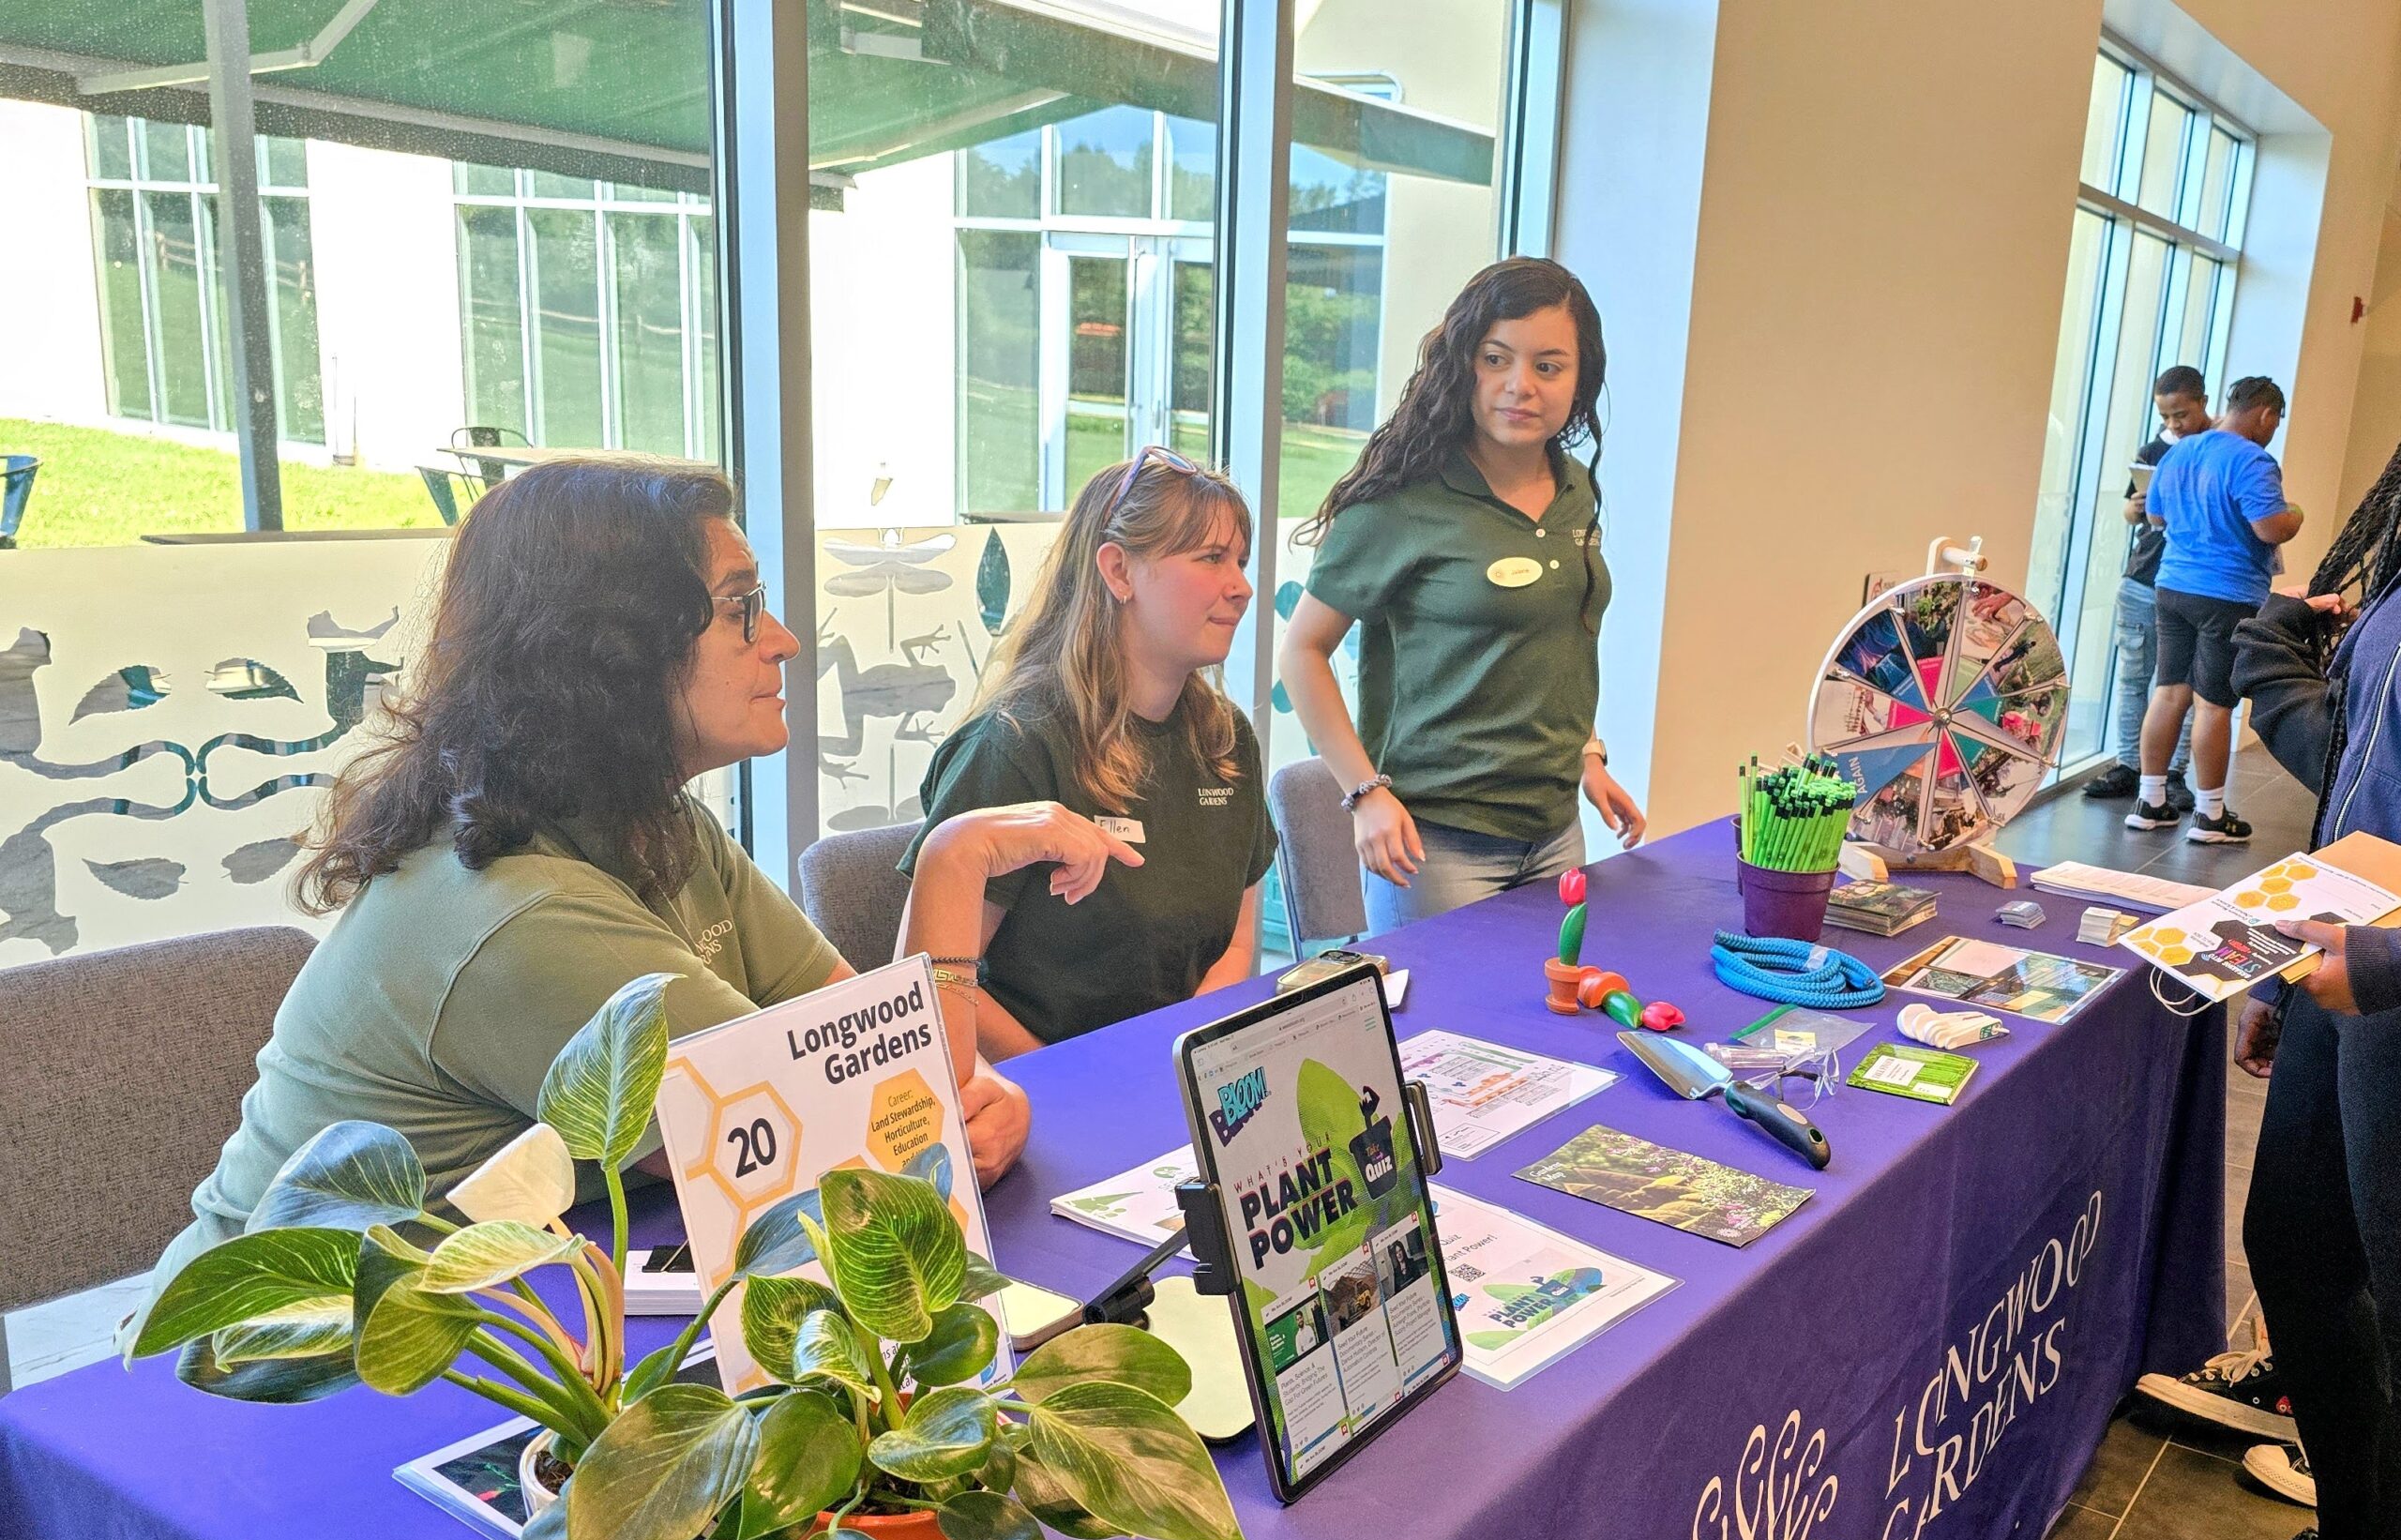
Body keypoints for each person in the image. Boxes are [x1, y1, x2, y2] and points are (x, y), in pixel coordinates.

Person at [146, 458, 1115, 1302]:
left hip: (496, 1317)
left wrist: (974, 1088)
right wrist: (951, 867)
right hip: (268, 1389)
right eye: (742, 610)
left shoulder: (652, 824)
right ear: (612, 650)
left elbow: (867, 1049)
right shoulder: (513, 917)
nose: (780, 641)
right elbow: (859, 1151)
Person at [2167, 470, 2401, 1540]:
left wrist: (2371, 972)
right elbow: (2368, 770)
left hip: (2386, 982)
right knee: (2301, 1250)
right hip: (2350, 966)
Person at [1277, 257, 1644, 930]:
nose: (1519, 386)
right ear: (1463, 364)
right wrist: (1364, 794)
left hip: (1556, 831)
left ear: (1580, 379)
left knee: (1548, 1026)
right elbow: (1302, 651)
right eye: (1496, 358)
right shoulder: (1402, 501)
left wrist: (1587, 756)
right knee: (1442, 1038)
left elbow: (1551, 638)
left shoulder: (1575, 492)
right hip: (1435, 845)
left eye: (1548, 366)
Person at [901, 449, 1276, 1057]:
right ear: (1118, 571)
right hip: (1035, 1087)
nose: (1241, 587)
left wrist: (1185, 1059)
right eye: (1211, 559)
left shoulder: (1226, 740)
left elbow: (1234, 945)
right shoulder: (1014, 745)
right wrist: (1079, 1080)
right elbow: (932, 988)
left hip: (1175, 1074)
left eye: (1240, 561)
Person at [2128, 374, 2304, 845]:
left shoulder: (2181, 451)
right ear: (2267, 414)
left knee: (2167, 693)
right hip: (2225, 594)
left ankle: (2151, 802)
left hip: (2172, 586)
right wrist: (2295, 514)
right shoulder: (2253, 459)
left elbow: (2156, 517)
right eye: (2275, 422)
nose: (2273, 429)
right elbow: (2271, 529)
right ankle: (2209, 815)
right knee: (2213, 705)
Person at [2083, 365, 2207, 808]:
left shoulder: (2217, 450)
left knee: (2181, 685)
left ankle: (2172, 773)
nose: (2174, 425)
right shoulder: (2152, 450)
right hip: (2143, 578)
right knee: (2134, 676)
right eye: (2167, 416)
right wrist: (2136, 508)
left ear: (2203, 404)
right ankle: (2129, 764)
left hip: (2193, 583)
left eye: (2182, 414)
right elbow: (2128, 513)